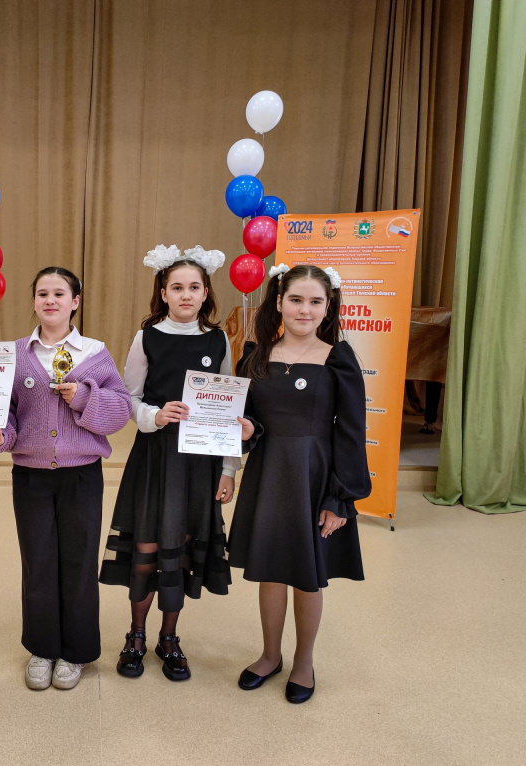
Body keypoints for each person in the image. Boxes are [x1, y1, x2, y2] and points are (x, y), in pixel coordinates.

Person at [99, 245, 255, 681]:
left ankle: (169, 637)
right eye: (177, 288)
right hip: (157, 457)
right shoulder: (147, 336)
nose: (186, 295)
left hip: (199, 462)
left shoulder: (217, 339)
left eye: (194, 287)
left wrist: (229, 469)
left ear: (206, 293)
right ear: (163, 293)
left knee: (182, 549)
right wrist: (155, 414)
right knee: (147, 548)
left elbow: (228, 409)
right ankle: (136, 634)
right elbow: (127, 398)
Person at [0, 266, 131, 691]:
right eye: (42, 293)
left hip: (81, 475)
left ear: (75, 302)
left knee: (79, 561)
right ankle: (42, 648)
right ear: (33, 301)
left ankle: (76, 651)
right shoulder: (13, 354)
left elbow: (120, 409)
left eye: (59, 293)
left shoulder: (95, 353)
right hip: (31, 476)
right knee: (38, 561)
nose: (50, 300)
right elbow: (5, 412)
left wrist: (84, 397)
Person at [228, 262, 371, 704]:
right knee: (270, 570)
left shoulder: (338, 359)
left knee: (308, 575)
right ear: (279, 302)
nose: (304, 310)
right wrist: (247, 430)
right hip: (269, 473)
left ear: (328, 307)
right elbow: (251, 420)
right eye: (296, 299)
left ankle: (303, 660)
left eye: (315, 301)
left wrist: (340, 498)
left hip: (314, 476)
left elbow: (351, 433)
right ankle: (270, 655)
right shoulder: (255, 356)